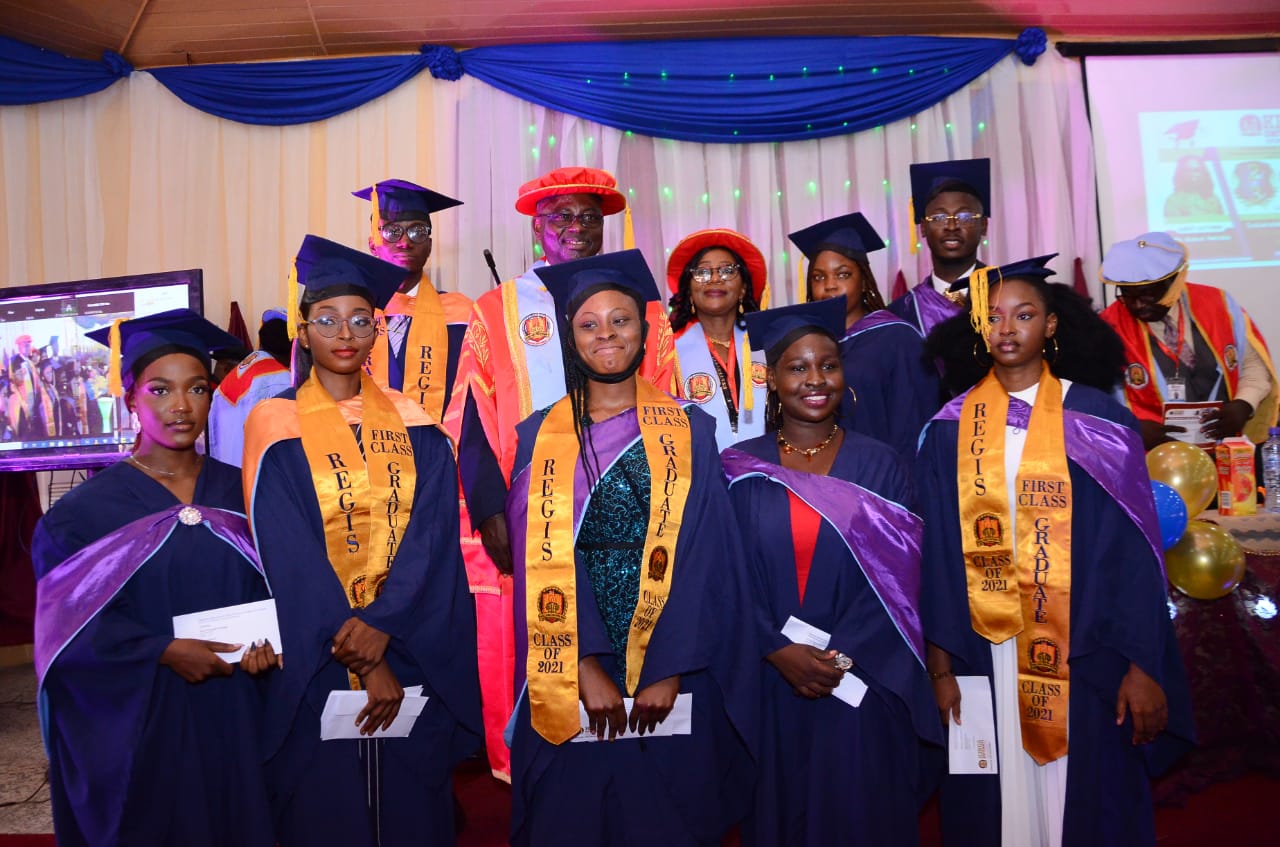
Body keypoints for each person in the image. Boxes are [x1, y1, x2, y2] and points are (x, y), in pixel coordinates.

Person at [916, 257, 1193, 847]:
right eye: (993, 317)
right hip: (983, 649)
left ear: (1052, 326)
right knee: (995, 802)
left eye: (1025, 314)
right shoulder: (947, 430)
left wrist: (1144, 664)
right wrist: (940, 669)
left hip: (1086, 646)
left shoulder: (1100, 420)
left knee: (1087, 798)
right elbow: (937, 558)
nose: (1008, 328)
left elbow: (1135, 553)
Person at [505, 250, 757, 846]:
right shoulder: (537, 434)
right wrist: (585, 659)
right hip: (564, 649)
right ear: (570, 339)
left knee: (664, 816)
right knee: (569, 815)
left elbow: (706, 556)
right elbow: (536, 557)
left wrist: (668, 666)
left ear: (646, 332)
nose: (606, 336)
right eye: (588, 325)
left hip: (673, 658)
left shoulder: (690, 429)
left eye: (620, 320)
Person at [242, 235, 482, 845]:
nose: (344, 333)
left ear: (377, 331)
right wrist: (361, 651)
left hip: (406, 641)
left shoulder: (418, 426)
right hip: (320, 651)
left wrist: (384, 628)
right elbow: (287, 551)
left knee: (408, 798)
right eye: (326, 320)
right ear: (303, 331)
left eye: (359, 320)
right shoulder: (274, 426)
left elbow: (430, 539)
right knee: (327, 805)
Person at [451, 166, 675, 780]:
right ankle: (538, 763)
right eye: (561, 218)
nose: (575, 229)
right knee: (540, 621)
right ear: (536, 227)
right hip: (534, 505)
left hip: (626, 503)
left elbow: (668, 404)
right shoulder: (496, 309)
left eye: (587, 217)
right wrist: (492, 509)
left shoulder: (646, 310)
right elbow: (471, 414)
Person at [32, 308, 278, 847]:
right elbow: (70, 641)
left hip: (234, 712)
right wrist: (161, 651)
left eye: (196, 389)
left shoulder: (250, 492)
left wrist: (271, 648)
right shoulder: (81, 517)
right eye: (160, 390)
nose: (181, 407)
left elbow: (281, 593)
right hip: (144, 723)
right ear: (130, 401)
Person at [721, 297, 942, 845]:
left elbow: (902, 585)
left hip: (862, 681)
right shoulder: (738, 469)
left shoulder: (882, 465)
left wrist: (839, 659)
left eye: (828, 364)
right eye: (797, 367)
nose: (815, 379)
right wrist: (776, 650)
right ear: (771, 379)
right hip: (770, 680)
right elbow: (726, 577)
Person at [1099, 231, 1277, 449]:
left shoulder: (1219, 305)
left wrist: (1244, 404)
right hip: (1150, 458)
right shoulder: (1106, 326)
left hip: (1223, 448)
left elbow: (1252, 365)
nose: (1137, 305)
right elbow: (1095, 397)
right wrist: (1129, 427)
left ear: (1175, 281)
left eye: (1148, 294)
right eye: (1127, 295)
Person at [789, 212, 941, 459]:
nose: (829, 285)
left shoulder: (898, 338)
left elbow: (914, 425)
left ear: (864, 280)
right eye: (818, 277)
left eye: (843, 274)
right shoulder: (806, 346)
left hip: (882, 482)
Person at [665, 227, 768, 450]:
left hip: (768, 472)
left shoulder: (767, 345)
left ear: (742, 289)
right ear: (689, 291)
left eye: (727, 271)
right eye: (702, 272)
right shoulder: (669, 353)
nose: (714, 279)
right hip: (700, 474)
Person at [888, 157, 992, 338]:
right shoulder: (902, 312)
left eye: (965, 216)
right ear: (923, 228)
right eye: (938, 218)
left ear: (983, 225)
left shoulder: (1005, 293)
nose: (951, 227)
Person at [208, 310, 292, 466]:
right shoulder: (281, 380)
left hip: (227, 473)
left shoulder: (237, 372)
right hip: (256, 479)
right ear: (292, 347)